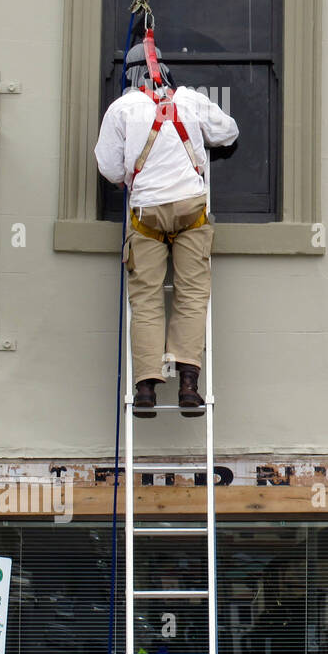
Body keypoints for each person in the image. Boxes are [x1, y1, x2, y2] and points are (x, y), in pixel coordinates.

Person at [94, 29, 239, 416]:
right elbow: (229, 133)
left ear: (130, 77)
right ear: (166, 73)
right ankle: (189, 385)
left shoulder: (120, 109)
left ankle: (145, 389)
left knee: (145, 299)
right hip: (191, 211)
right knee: (191, 296)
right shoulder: (190, 99)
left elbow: (109, 169)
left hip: (145, 216)